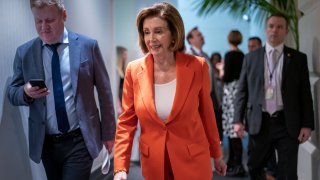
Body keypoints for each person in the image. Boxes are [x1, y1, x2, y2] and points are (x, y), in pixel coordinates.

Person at [113, 2, 227, 180]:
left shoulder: (198, 66)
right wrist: (120, 166)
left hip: (193, 160)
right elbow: (126, 122)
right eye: (146, 32)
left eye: (158, 31)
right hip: (154, 164)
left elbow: (207, 113)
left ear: (174, 34)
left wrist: (217, 154)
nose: (151, 39)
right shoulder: (133, 70)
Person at [7, 1, 116, 179]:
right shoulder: (24, 52)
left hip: (80, 140)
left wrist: (109, 133)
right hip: (46, 143)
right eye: (38, 21)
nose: (43, 27)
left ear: (64, 15)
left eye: (49, 20)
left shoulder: (88, 46)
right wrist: (25, 92)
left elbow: (105, 92)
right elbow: (12, 93)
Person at [234, 13, 314, 180]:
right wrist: (237, 120)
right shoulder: (250, 58)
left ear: (286, 31)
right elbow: (242, 91)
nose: (274, 31)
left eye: (279, 27)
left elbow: (305, 94)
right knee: (254, 168)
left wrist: (307, 124)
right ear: (265, 30)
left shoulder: (298, 59)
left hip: (287, 123)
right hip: (259, 122)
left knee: (288, 172)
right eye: (271, 26)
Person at [186, 27, 222, 143]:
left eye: (201, 34)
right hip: (196, 102)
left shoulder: (205, 55)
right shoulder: (188, 56)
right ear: (190, 40)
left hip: (209, 98)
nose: (202, 36)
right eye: (198, 35)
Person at [221, 30, 246, 177]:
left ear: (229, 39)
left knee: (232, 129)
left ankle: (237, 165)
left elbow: (227, 77)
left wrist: (221, 70)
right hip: (239, 92)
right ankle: (233, 162)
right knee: (236, 129)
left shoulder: (230, 55)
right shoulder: (242, 55)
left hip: (231, 93)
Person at [116, 46, 128, 113]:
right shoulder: (116, 71)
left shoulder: (124, 69)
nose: (126, 56)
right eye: (125, 54)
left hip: (124, 99)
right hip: (119, 100)